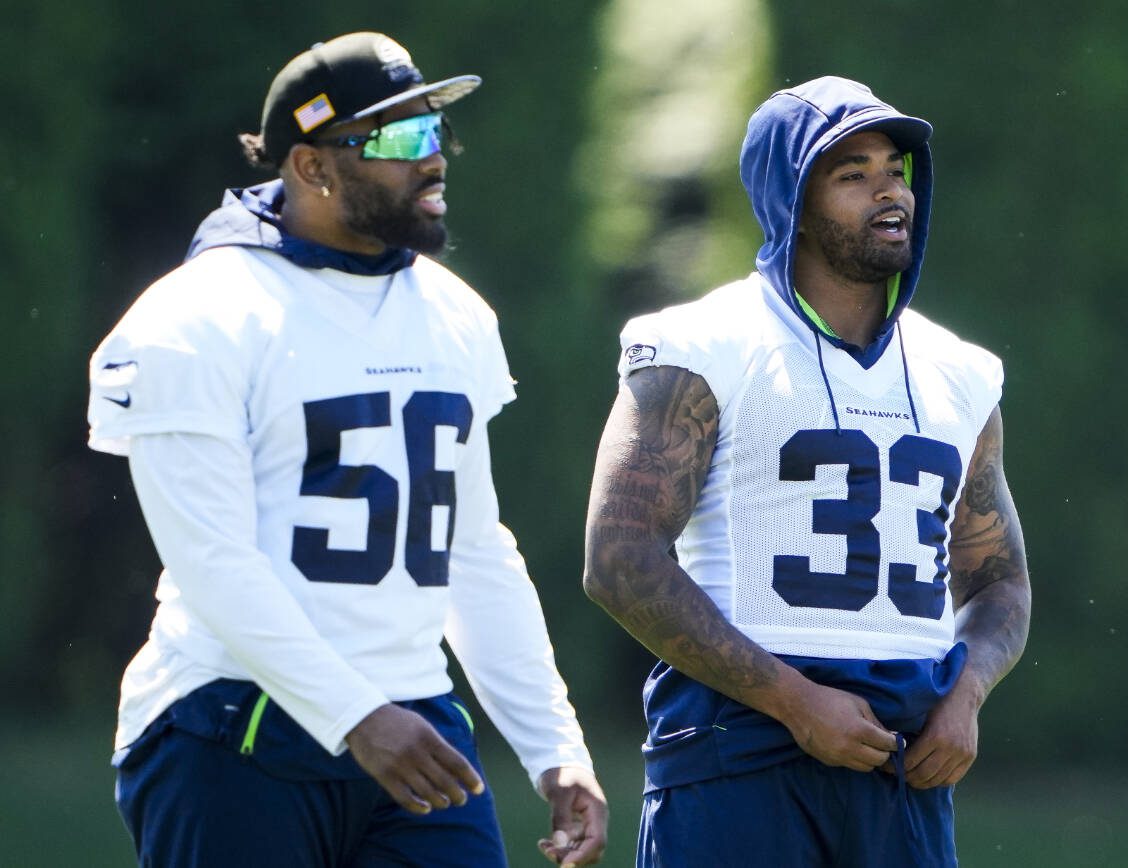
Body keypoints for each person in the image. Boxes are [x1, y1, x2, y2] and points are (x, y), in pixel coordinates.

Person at [88, 31, 606, 868]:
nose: (432, 162)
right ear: (310, 167)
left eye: (434, 135)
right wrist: (356, 716)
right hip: (233, 724)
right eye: (398, 139)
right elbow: (214, 560)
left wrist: (555, 747)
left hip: (413, 721)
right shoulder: (196, 317)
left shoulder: (454, 311)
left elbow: (472, 553)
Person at [583, 76, 1031, 866]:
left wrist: (965, 694)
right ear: (791, 199)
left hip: (902, 761)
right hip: (738, 752)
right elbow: (619, 559)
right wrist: (792, 701)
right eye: (852, 174)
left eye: (895, 169)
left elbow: (999, 581)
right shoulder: (700, 345)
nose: (888, 192)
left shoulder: (961, 372)